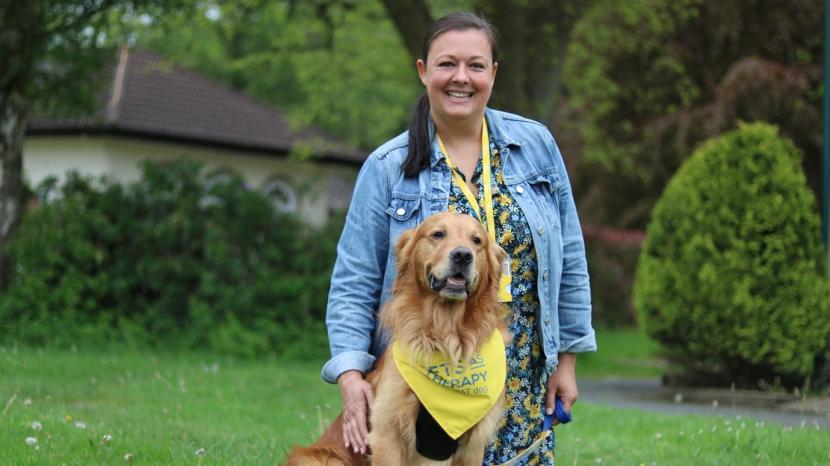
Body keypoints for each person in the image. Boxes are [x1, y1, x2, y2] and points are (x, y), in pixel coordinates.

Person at [321, 11, 596, 465]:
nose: (461, 78)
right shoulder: (387, 167)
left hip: (517, 369)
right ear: (423, 71)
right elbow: (354, 280)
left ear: (493, 73)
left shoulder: (538, 146)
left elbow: (570, 257)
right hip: (420, 369)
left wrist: (567, 359)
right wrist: (351, 374)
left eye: (475, 65)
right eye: (447, 64)